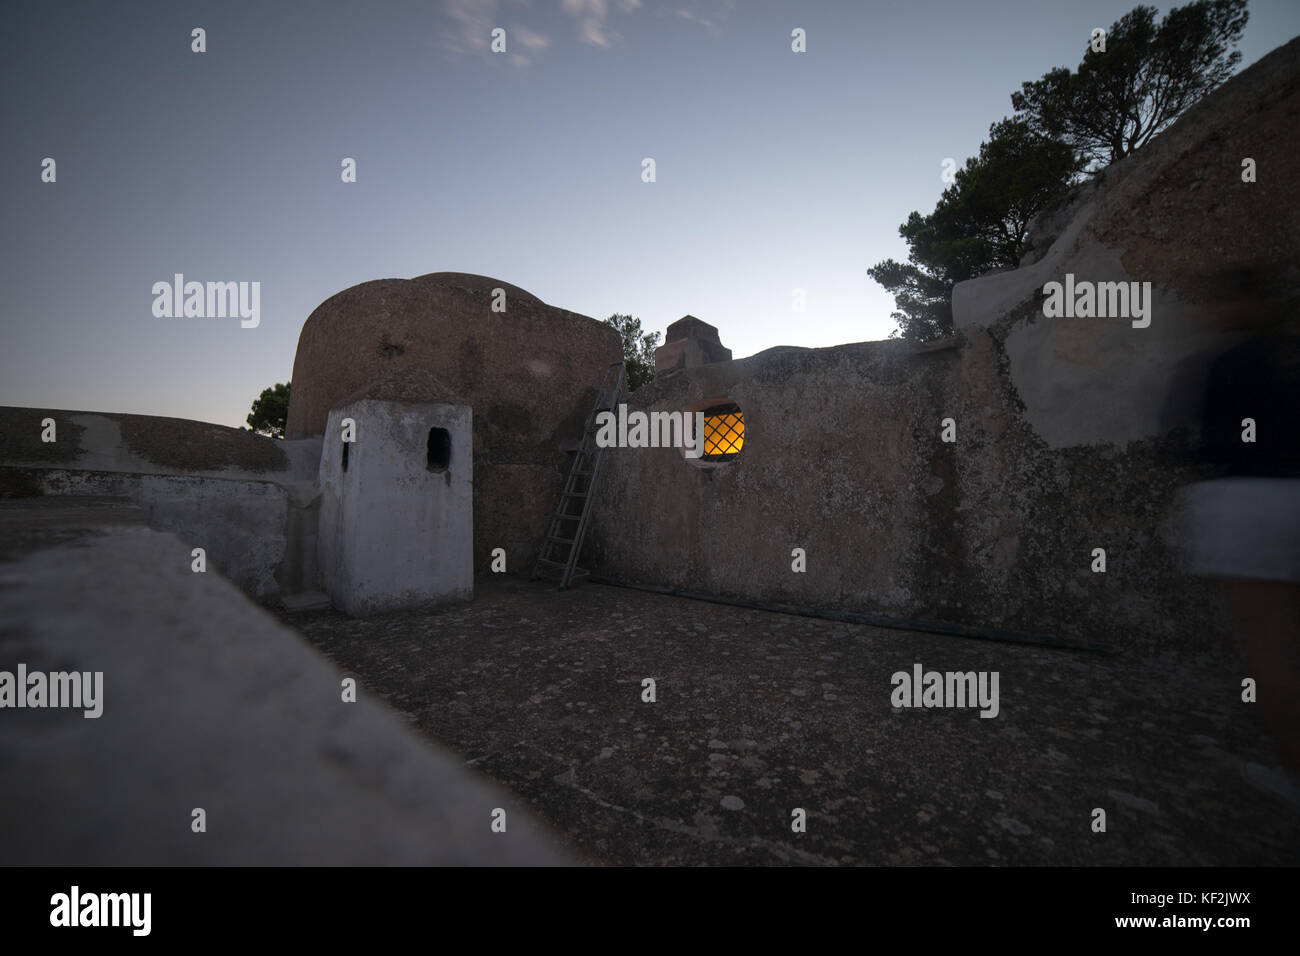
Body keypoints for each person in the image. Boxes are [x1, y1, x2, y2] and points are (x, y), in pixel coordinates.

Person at [1182, 269, 1300, 810]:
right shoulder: (1283, 359)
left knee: (1270, 650)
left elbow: (1193, 442)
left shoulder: (1222, 364)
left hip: (1246, 505)